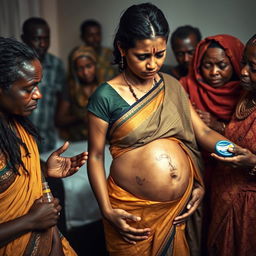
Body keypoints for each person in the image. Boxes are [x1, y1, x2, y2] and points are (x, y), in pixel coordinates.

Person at [86, 3, 248, 255]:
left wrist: (234, 151)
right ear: (122, 48)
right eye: (143, 56)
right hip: (133, 212)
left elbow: (202, 133)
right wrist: (106, 211)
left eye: (159, 54)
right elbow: (95, 157)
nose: (153, 64)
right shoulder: (105, 96)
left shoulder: (171, 85)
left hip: (178, 210)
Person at [0, 37, 88, 255]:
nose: (38, 94)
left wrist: (44, 170)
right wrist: (31, 221)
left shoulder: (17, 125)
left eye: (37, 85)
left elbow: (21, 174)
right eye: (29, 88)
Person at [207, 34, 256, 256]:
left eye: (253, 67)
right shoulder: (247, 94)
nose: (243, 71)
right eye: (244, 62)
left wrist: (253, 162)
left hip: (248, 212)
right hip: (223, 197)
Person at [180, 34, 244, 134]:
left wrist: (218, 126)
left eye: (222, 66)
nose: (214, 72)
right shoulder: (186, 85)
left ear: (235, 63)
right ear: (198, 65)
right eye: (207, 65)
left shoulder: (246, 93)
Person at [21, 17, 66, 153]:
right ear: (24, 38)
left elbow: (62, 98)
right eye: (36, 39)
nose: (42, 44)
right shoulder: (14, 65)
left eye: (46, 39)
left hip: (48, 142)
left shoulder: (56, 64)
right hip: (20, 142)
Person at [56, 46, 98, 141]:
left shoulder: (105, 86)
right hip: (77, 142)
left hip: (103, 142)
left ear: (95, 65)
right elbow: (60, 119)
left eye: (89, 66)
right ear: (74, 70)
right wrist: (81, 118)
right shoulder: (70, 88)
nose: (85, 72)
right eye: (80, 69)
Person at [75, 19, 117, 83]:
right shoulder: (78, 56)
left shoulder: (110, 54)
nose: (95, 39)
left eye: (98, 34)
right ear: (82, 37)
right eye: (90, 35)